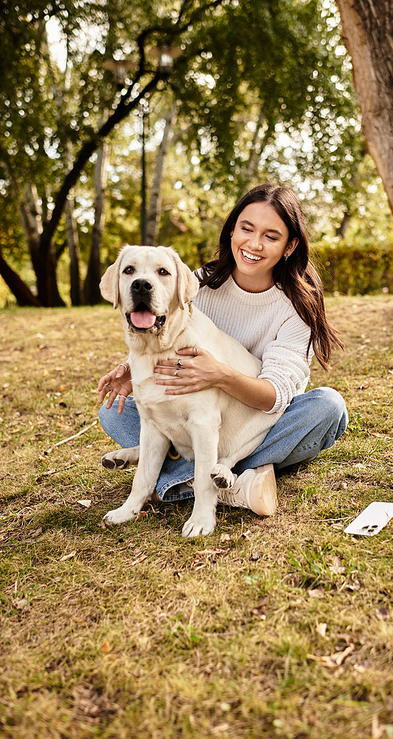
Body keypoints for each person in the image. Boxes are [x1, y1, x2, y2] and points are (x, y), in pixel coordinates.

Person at [97, 183, 348, 517]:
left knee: (327, 407)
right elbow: (163, 332)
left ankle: (175, 477)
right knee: (112, 411)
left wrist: (220, 375)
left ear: (290, 246)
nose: (254, 244)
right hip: (189, 413)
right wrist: (138, 369)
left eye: (271, 236)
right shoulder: (199, 283)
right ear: (232, 231)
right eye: (246, 229)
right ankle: (233, 484)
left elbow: (275, 396)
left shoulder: (297, 307)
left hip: (258, 420)